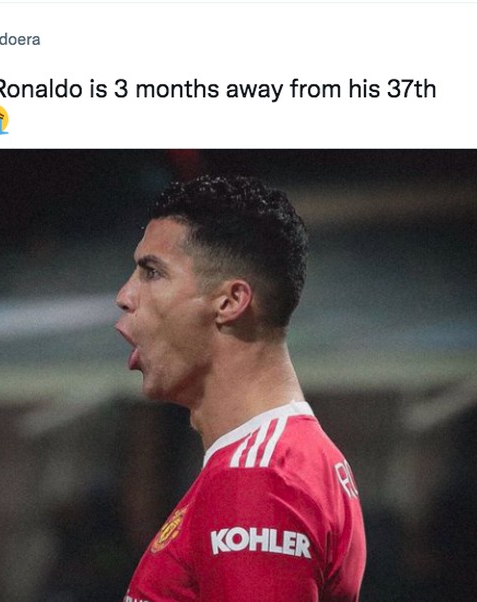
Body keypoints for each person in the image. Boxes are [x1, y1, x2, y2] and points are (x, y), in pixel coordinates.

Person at [115, 175, 366, 601]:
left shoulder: (258, 478)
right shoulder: (285, 459)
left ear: (230, 302)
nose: (125, 295)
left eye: (152, 272)